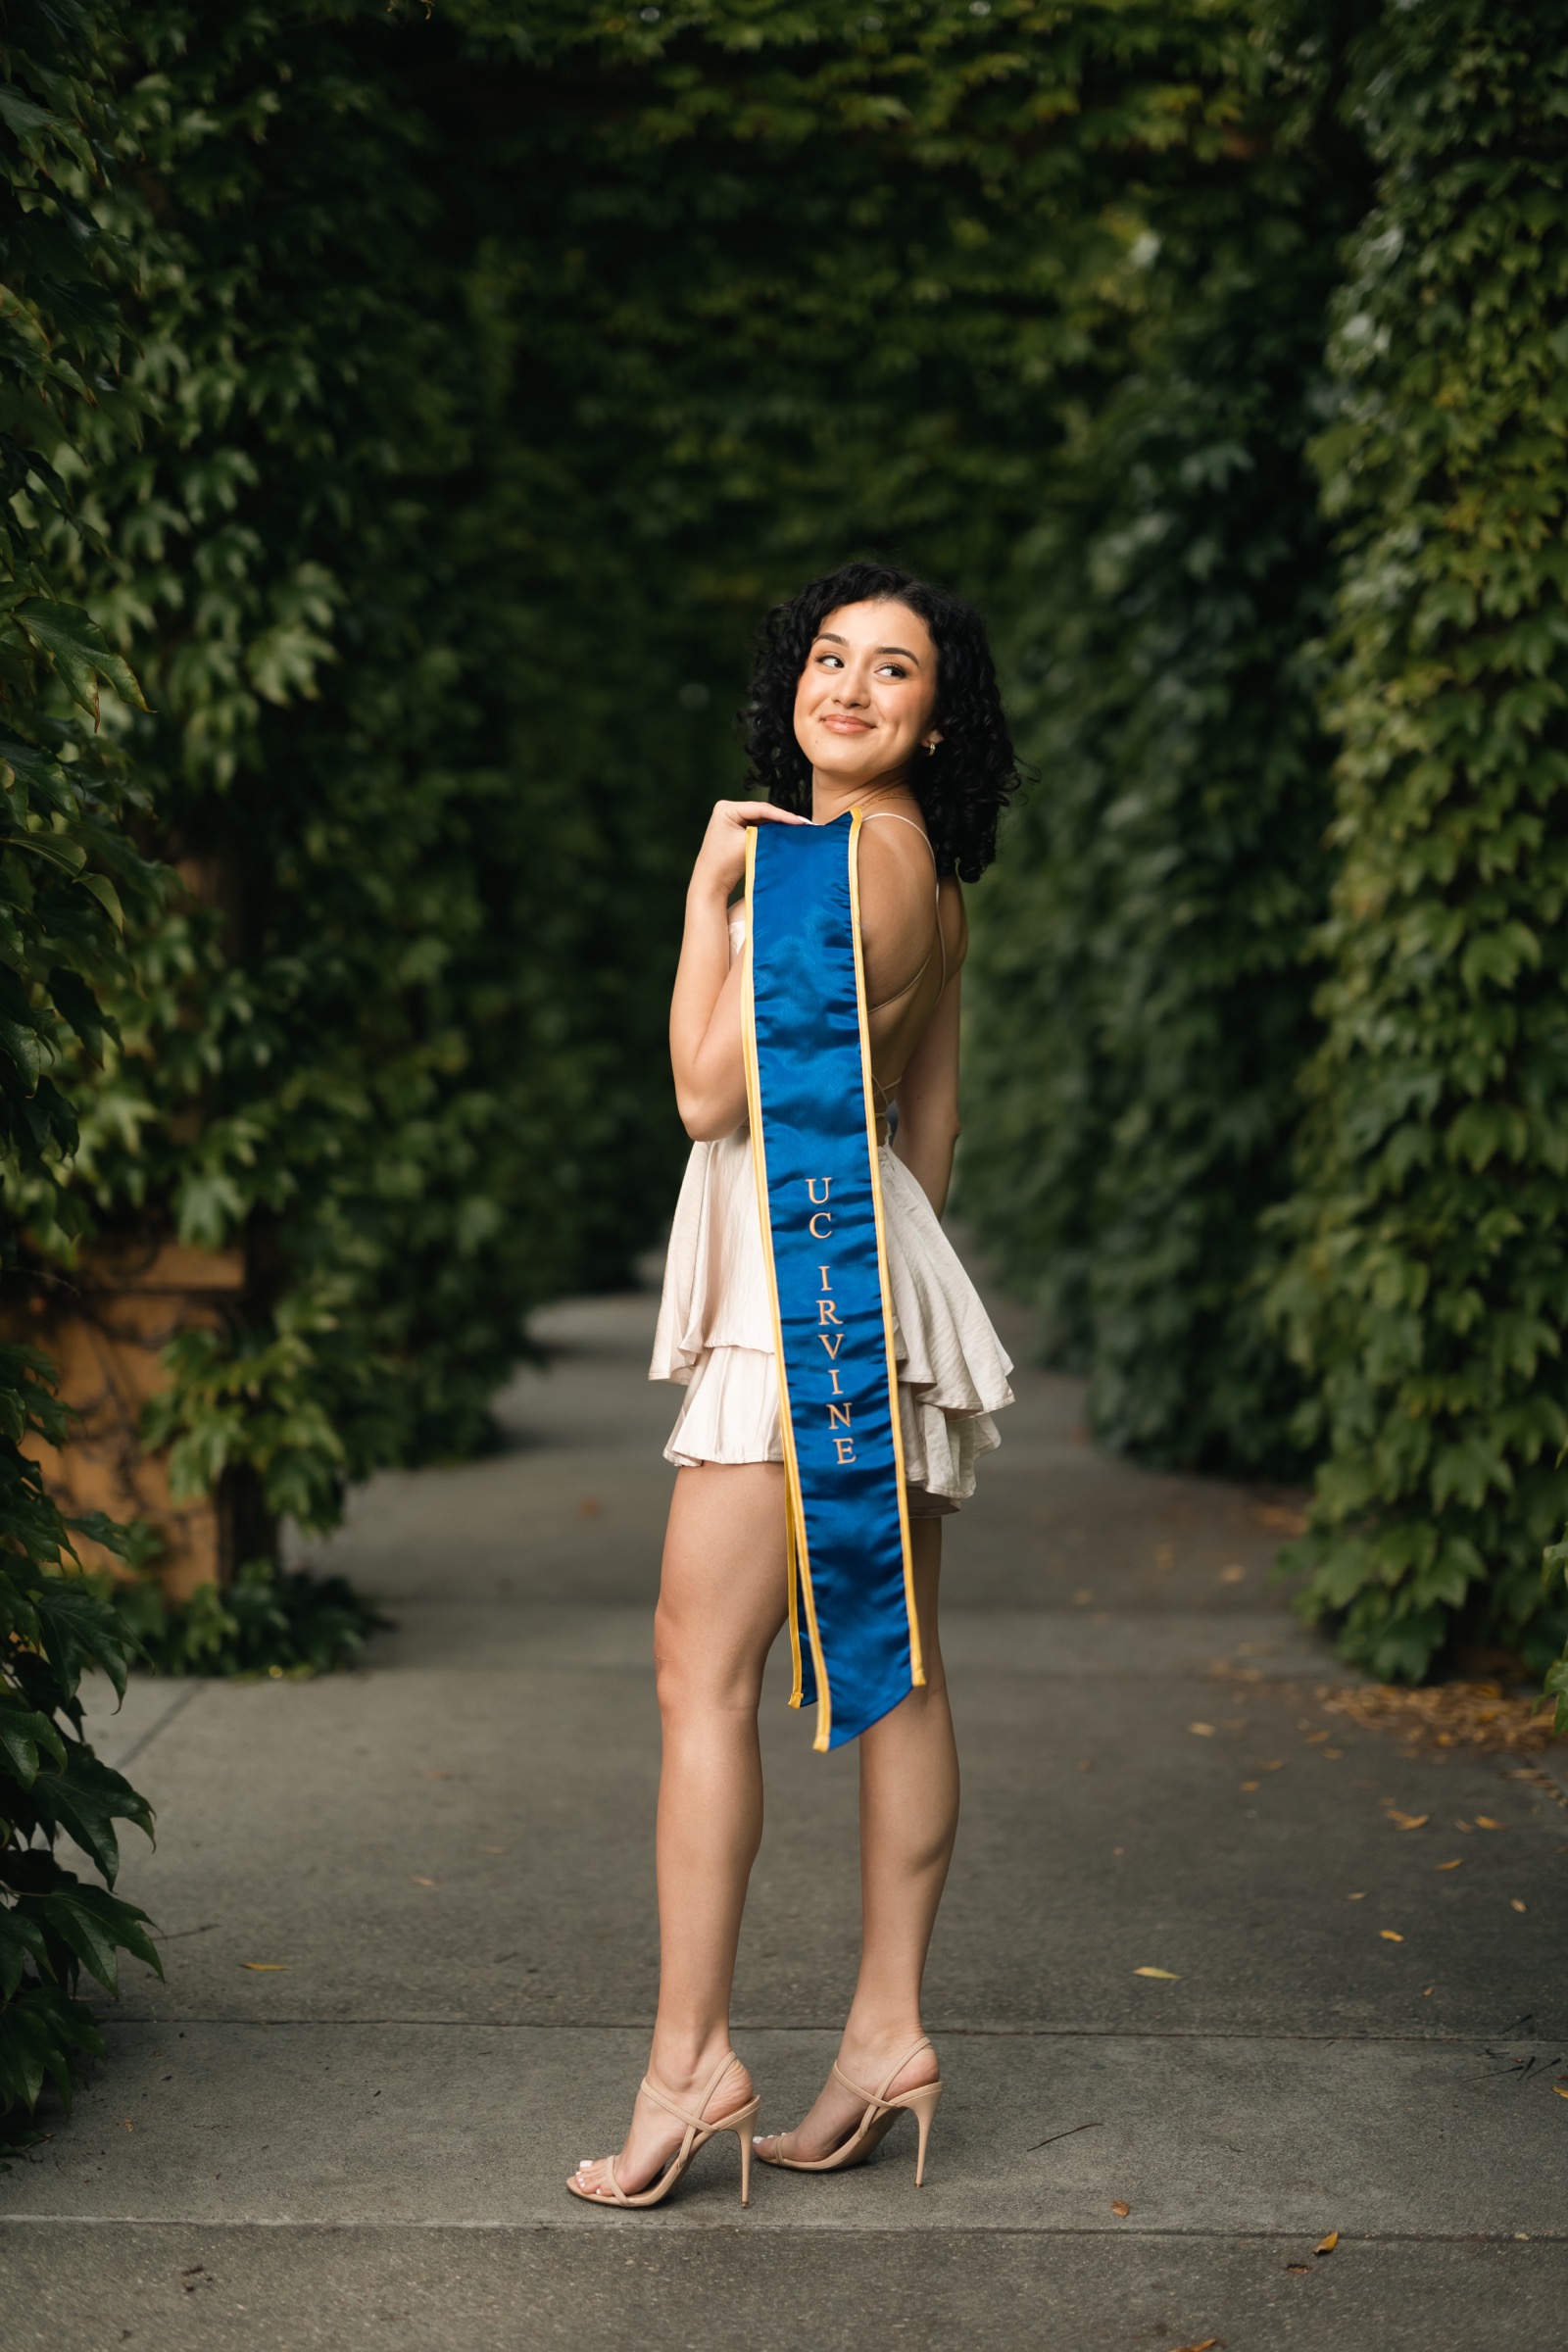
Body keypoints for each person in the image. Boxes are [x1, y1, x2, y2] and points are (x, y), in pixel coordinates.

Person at [568, 561, 1018, 2209]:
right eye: (830, 657)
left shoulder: (815, 873)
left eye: (892, 672)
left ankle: (690, 2066)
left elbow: (701, 1097)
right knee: (897, 1665)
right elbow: (936, 1134)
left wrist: (705, 893)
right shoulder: (938, 880)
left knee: (702, 1669)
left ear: (934, 715)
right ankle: (882, 2035)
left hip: (803, 1295)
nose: (848, 689)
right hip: (878, 1282)